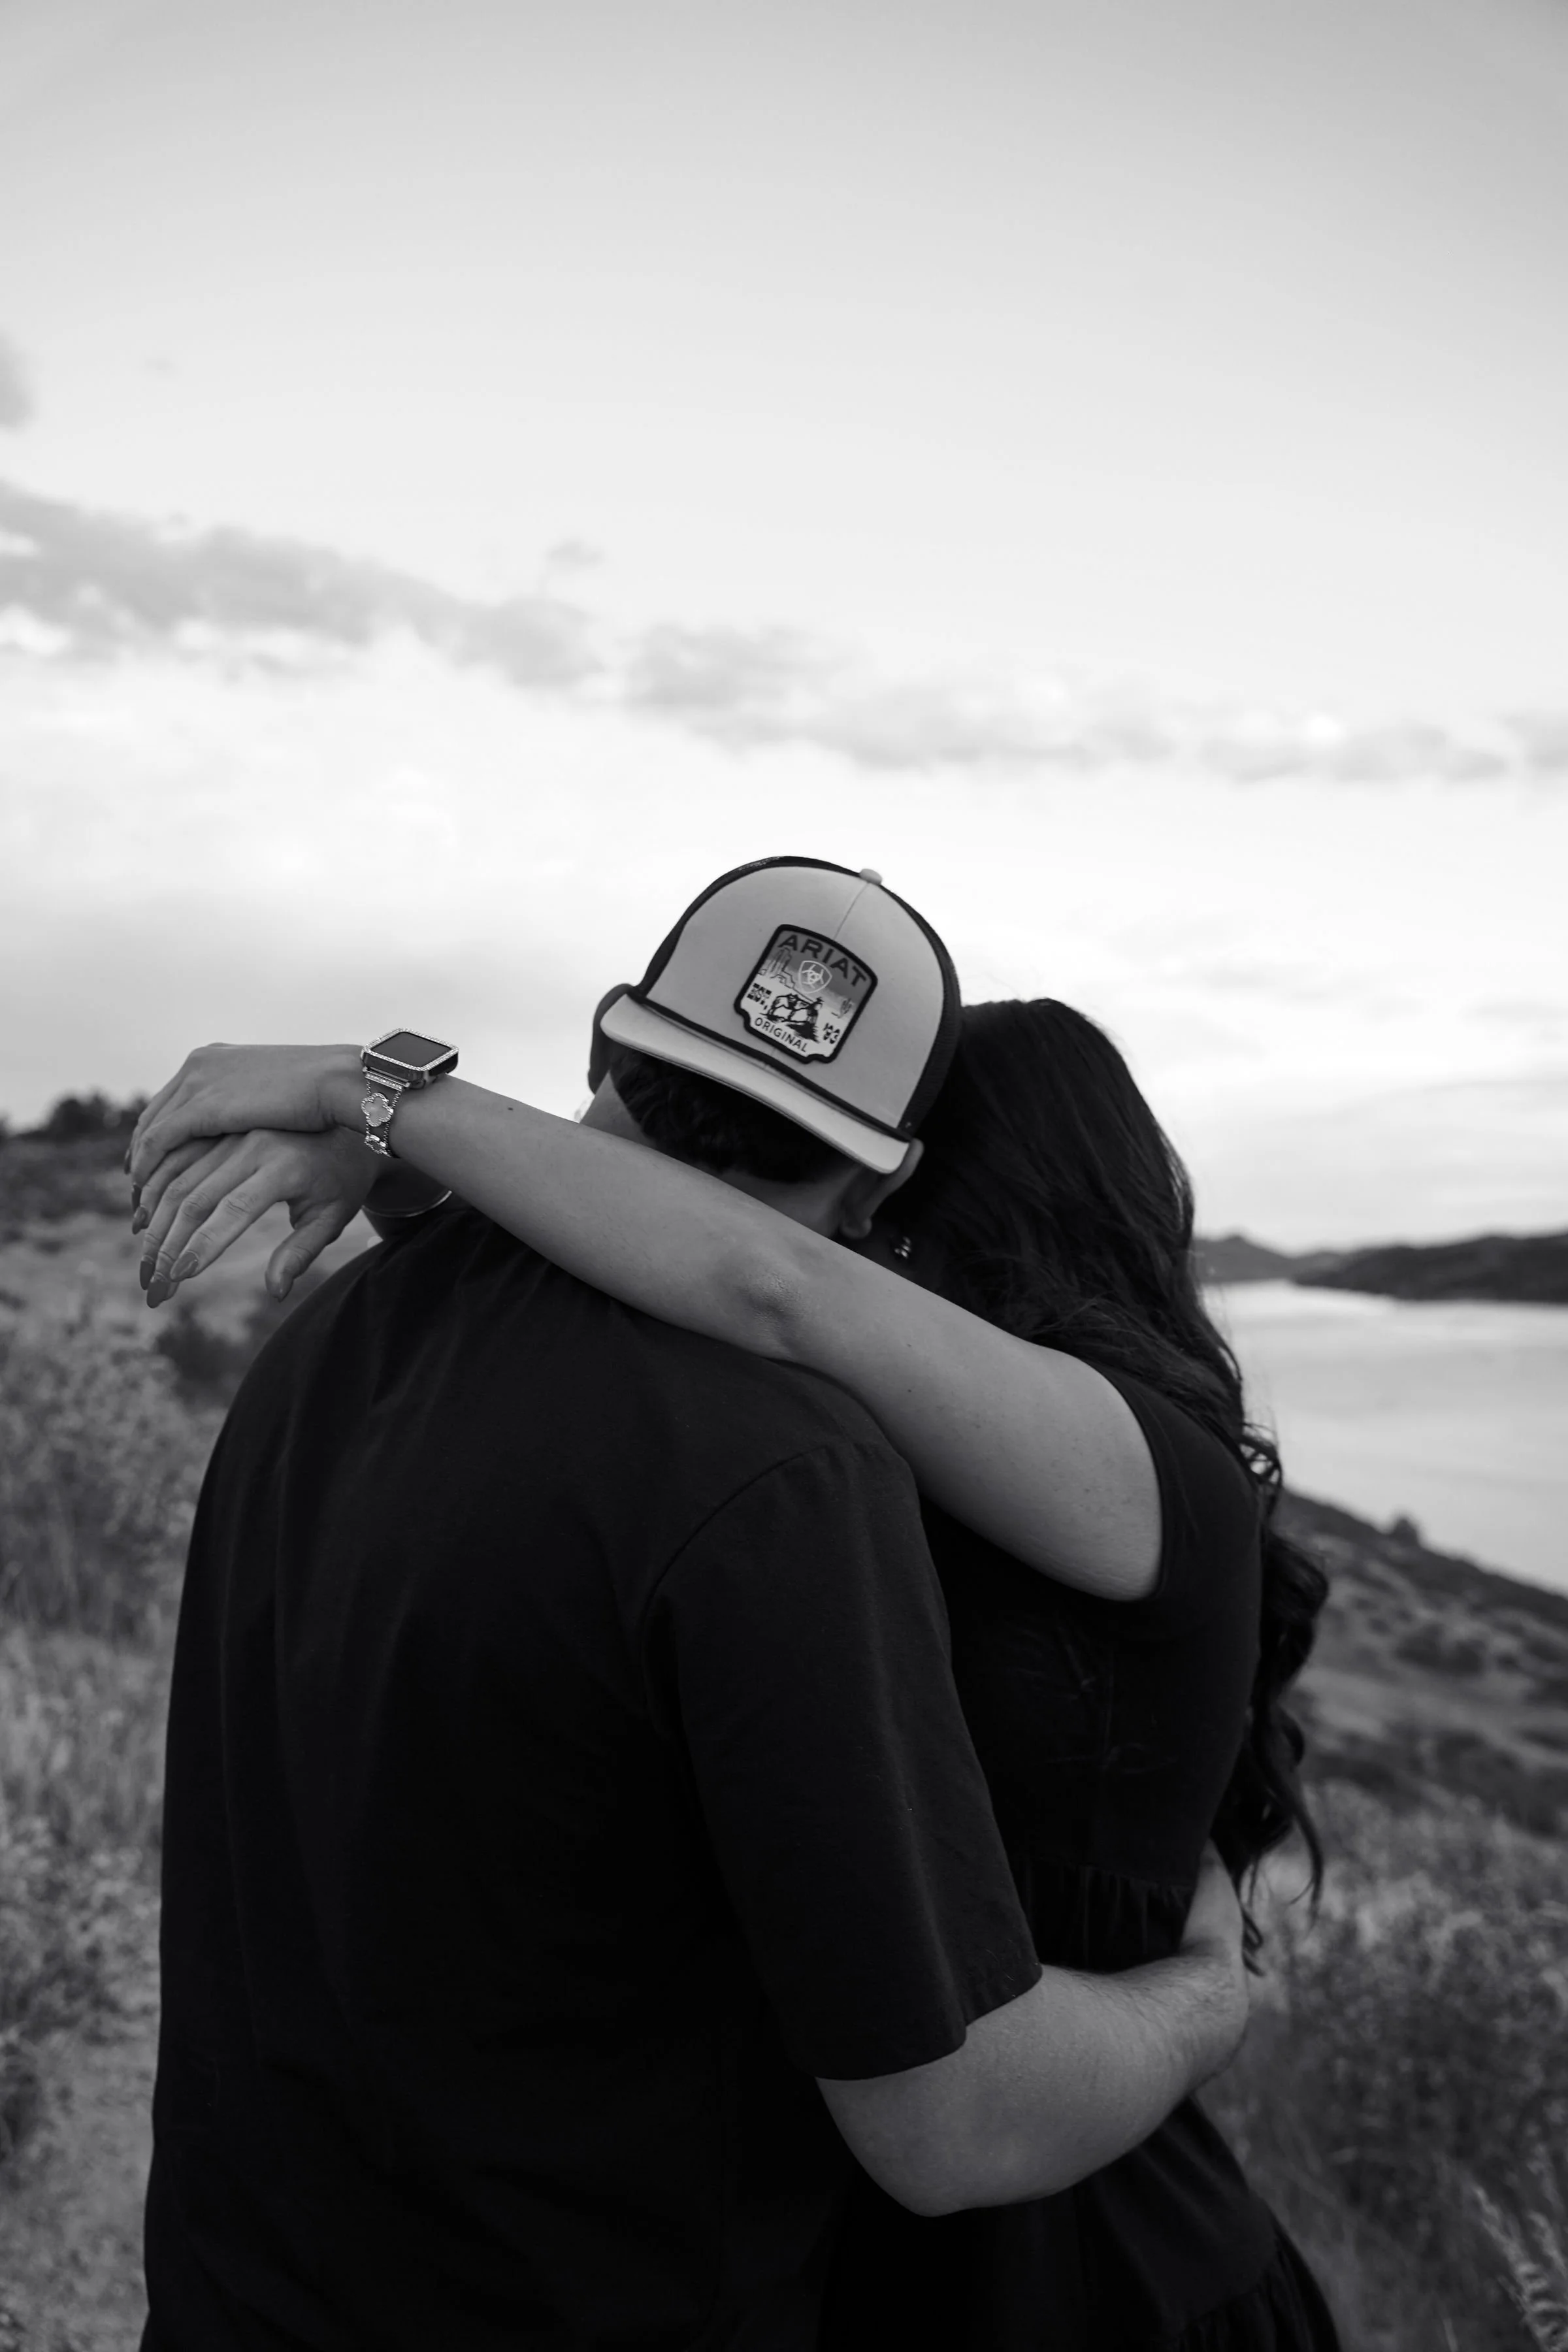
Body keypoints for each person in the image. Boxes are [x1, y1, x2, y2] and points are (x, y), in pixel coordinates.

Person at [128, 856, 1252, 2352]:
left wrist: (384, 1107)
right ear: (880, 1185)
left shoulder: (325, 1337)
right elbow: (945, 2122)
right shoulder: (782, 1469)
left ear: (606, 1045)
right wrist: (1205, 2001)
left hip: (236, 2286)